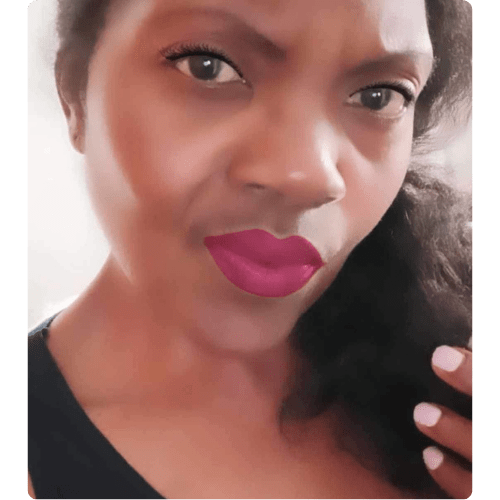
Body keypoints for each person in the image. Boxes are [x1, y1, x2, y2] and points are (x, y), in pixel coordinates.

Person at [27, 0, 473, 498]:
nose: (309, 176)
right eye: (208, 67)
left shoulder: (458, 380)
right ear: (75, 95)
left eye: (378, 96)